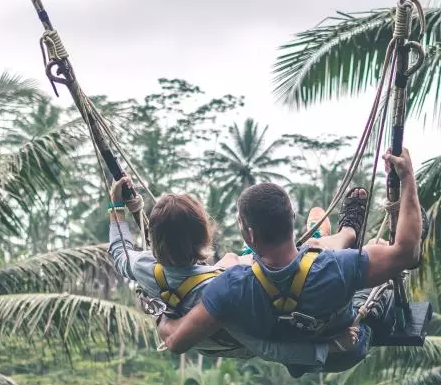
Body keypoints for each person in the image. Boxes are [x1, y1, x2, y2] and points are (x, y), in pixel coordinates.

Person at [156, 149, 423, 373]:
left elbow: (177, 342)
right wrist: (407, 177)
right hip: (345, 345)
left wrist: (161, 317)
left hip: (295, 354)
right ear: (291, 221)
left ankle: (342, 234)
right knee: (370, 252)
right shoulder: (338, 269)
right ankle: (346, 233)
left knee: (313, 252)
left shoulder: (230, 287)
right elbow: (407, 253)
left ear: (250, 234)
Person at [107, 180, 362, 370]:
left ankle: (320, 236)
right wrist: (328, 347)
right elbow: (267, 349)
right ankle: (329, 237)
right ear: (204, 237)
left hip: (210, 344)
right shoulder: (226, 288)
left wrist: (116, 205)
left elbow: (120, 251)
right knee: (271, 259)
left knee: (234, 260)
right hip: (236, 340)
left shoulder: (144, 268)